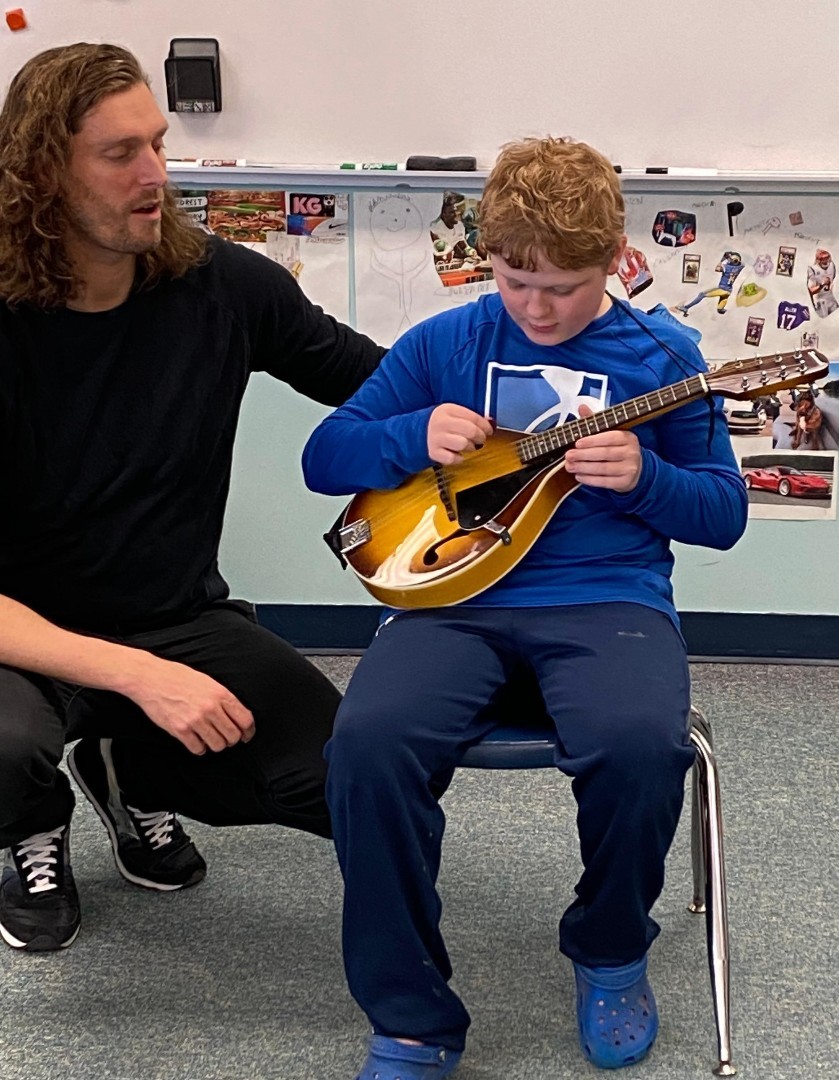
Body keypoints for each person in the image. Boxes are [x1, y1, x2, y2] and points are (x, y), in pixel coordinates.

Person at [302, 136, 748, 1077]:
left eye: (564, 288)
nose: (537, 309)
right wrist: (408, 434)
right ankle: (409, 1016)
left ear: (614, 260)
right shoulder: (444, 343)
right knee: (366, 746)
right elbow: (323, 458)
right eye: (515, 283)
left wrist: (647, 479)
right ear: (489, 260)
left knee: (638, 745)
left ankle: (608, 948)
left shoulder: (663, 356)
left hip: (605, 598)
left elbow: (723, 515)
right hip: (448, 604)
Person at [0, 43, 385, 953]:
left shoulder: (224, 285)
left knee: (347, 780)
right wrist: (139, 677)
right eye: (119, 153)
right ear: (42, 171)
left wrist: (554, 394)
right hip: (22, 637)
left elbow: (385, 384)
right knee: (6, 751)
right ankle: (30, 825)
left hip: (174, 616)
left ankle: (132, 775)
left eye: (158, 145)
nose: (156, 176)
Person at [674, 250, 744, 316]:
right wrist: (731, 258)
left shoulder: (727, 267)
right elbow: (740, 263)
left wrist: (723, 259)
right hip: (729, 291)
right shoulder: (740, 267)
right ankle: (723, 310)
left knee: (702, 295)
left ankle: (686, 308)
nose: (728, 260)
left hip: (722, 289)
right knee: (720, 310)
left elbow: (717, 268)